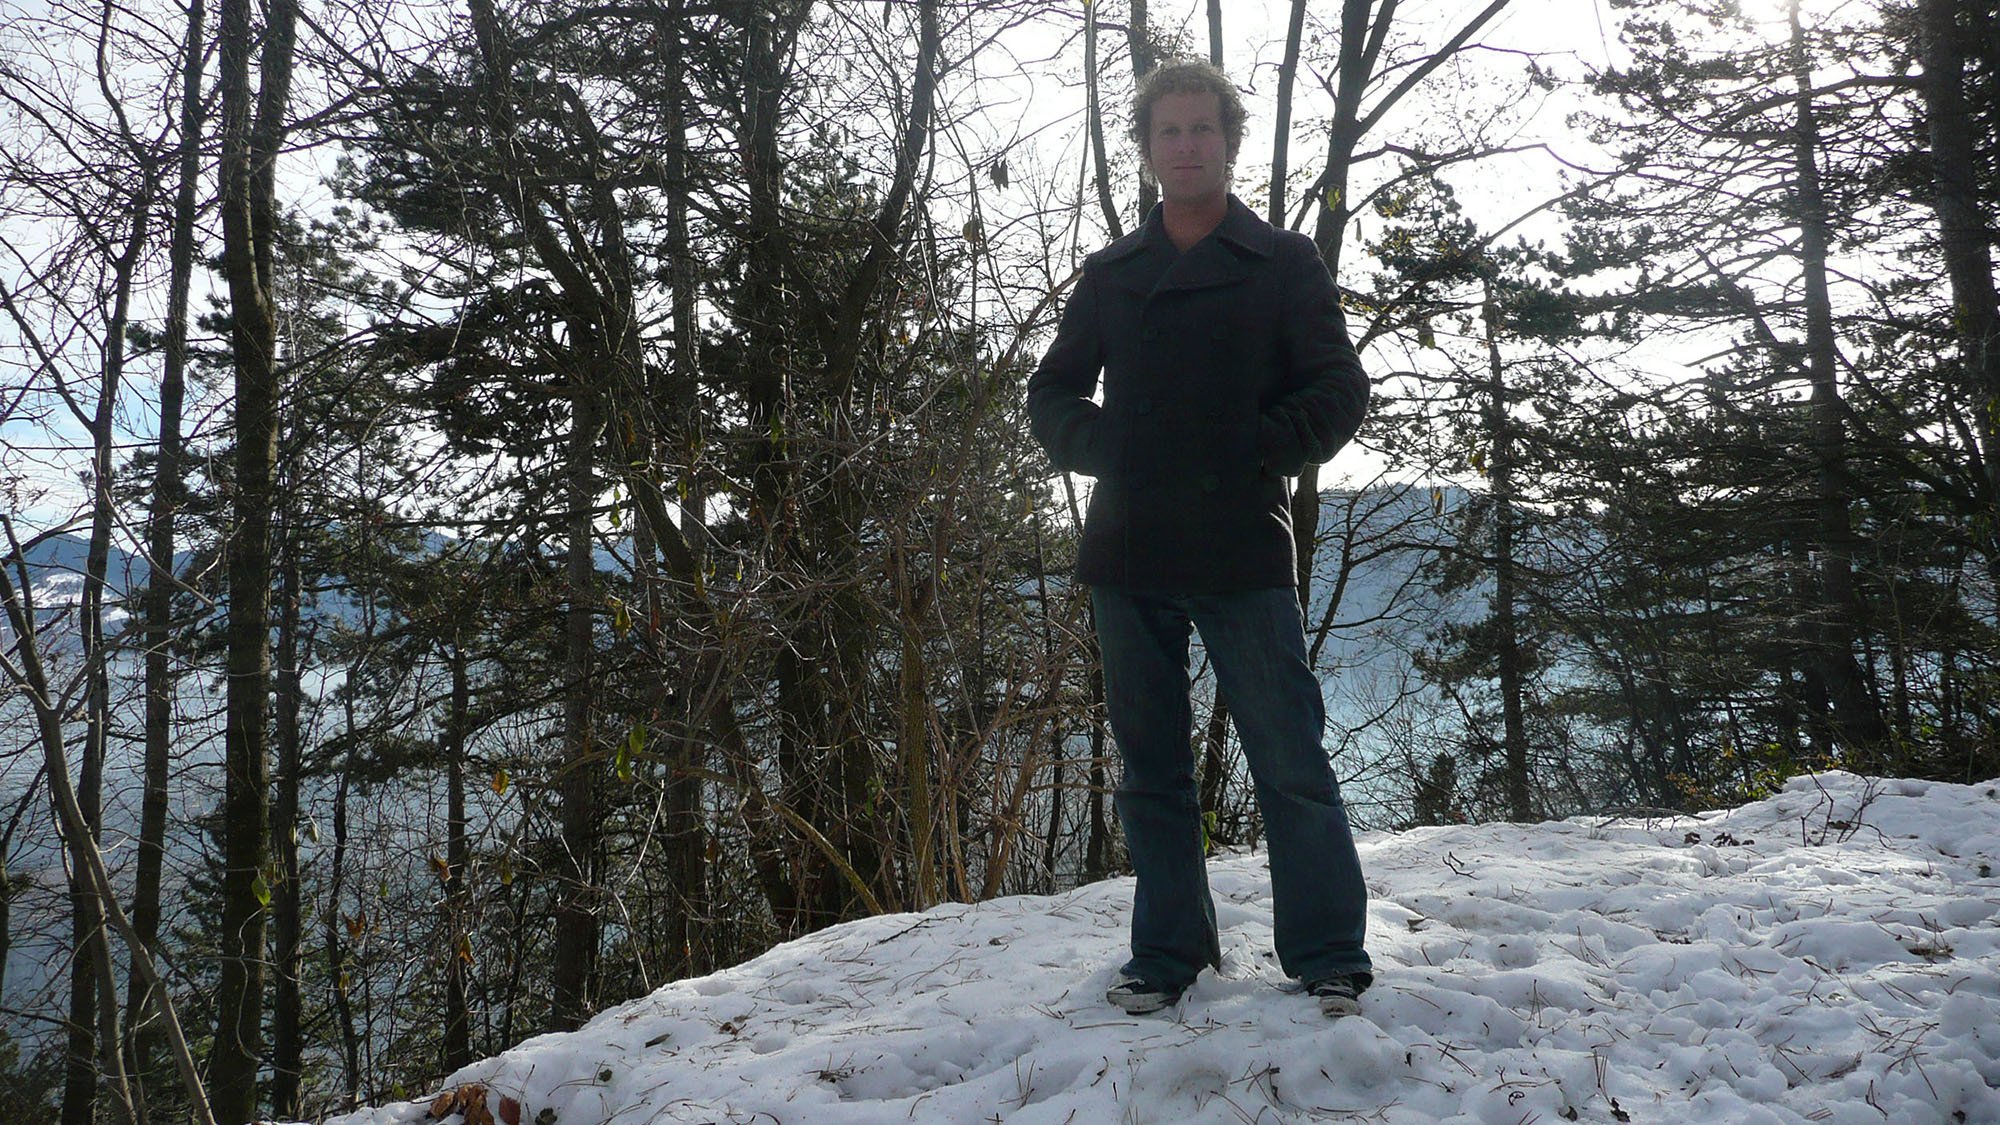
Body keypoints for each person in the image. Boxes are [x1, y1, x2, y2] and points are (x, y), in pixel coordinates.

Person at [1025, 59, 1375, 1018]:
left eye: (1203, 131)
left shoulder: (1284, 264)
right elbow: (1050, 393)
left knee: (1289, 757)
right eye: (1169, 132)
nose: (1187, 147)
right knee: (1149, 771)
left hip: (1241, 547)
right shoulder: (1113, 275)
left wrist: (1250, 449)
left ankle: (1328, 951)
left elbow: (1340, 391)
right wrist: (1113, 449)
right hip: (1128, 549)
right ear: (1147, 152)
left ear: (1229, 143)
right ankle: (1168, 952)